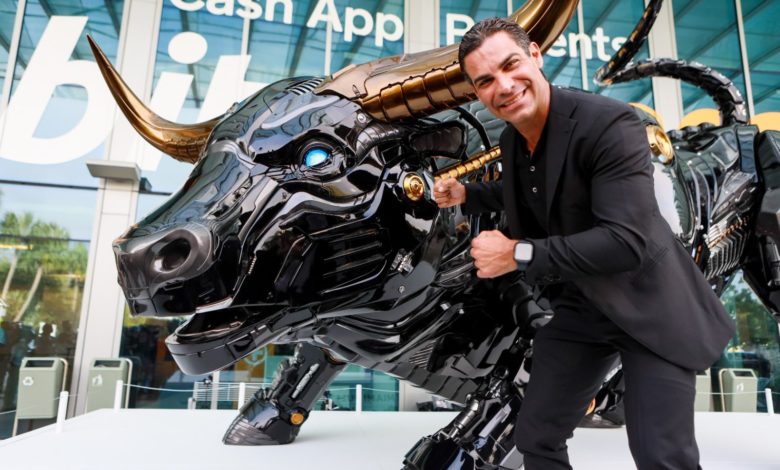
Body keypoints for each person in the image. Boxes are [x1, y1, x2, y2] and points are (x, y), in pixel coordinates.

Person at [434, 18, 735, 469]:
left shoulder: (610, 123)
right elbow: (532, 192)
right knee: (535, 436)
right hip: (581, 306)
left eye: (510, 65)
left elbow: (625, 241)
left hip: (649, 308)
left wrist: (516, 253)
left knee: (661, 456)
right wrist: (467, 193)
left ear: (535, 55)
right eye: (486, 81)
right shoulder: (513, 138)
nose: (504, 86)